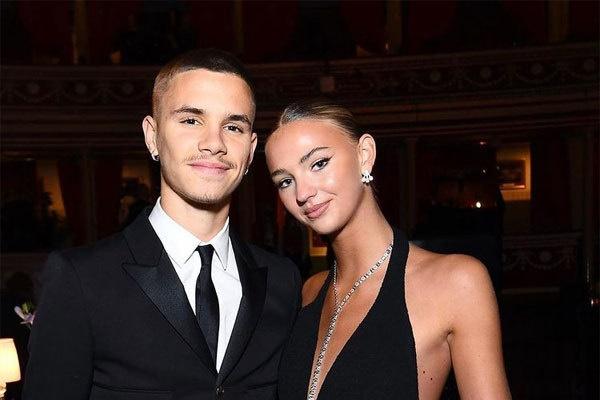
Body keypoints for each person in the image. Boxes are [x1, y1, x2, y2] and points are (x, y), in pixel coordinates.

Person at [23, 49, 302, 400]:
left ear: (249, 150)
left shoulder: (282, 280)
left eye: (233, 127)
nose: (214, 143)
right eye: (191, 120)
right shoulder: (80, 279)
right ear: (152, 136)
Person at [265, 100, 511, 400]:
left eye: (319, 164)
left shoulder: (457, 282)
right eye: (285, 181)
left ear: (364, 155)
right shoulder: (309, 292)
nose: (303, 193)